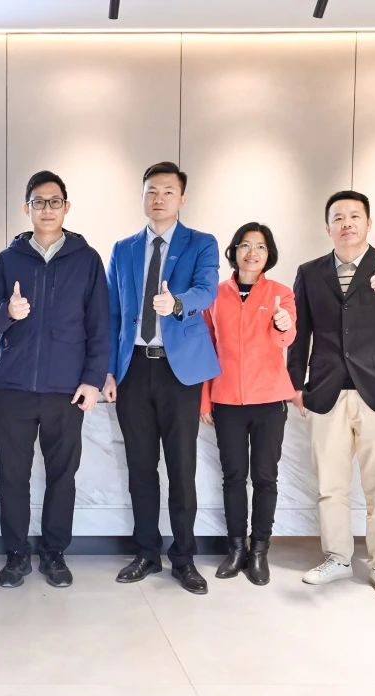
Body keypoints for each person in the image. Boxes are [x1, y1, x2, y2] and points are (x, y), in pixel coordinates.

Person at [0, 170, 109, 588]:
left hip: (65, 390)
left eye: (54, 202)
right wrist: (7, 312)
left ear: (66, 207)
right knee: (12, 476)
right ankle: (16, 555)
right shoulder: (8, 259)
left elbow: (100, 325)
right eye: (38, 202)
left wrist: (92, 379)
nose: (46, 209)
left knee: (61, 476)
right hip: (13, 387)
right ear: (27, 208)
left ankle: (54, 553)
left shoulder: (87, 260)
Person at [289, 190, 375, 600]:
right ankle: (337, 558)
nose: (346, 223)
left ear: (368, 223)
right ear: (327, 227)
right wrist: (295, 384)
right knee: (331, 485)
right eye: (338, 217)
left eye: (354, 216)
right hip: (327, 391)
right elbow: (300, 333)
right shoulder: (310, 272)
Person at [104, 161, 220, 595]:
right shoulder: (123, 249)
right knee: (140, 467)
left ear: (182, 198)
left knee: (181, 468)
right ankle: (147, 553)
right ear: (142, 196)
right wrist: (109, 370)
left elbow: (207, 290)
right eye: (152, 190)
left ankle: (184, 558)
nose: (159, 198)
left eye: (168, 191)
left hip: (179, 372)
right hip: (133, 368)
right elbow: (113, 313)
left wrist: (177, 304)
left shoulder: (201, 243)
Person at [200, 222, 296, 586]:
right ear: (234, 252)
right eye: (244, 245)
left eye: (260, 246)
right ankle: (236, 549)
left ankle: (259, 551)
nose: (252, 252)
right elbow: (207, 348)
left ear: (269, 254)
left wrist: (282, 323)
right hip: (226, 401)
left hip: (269, 400)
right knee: (233, 477)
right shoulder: (215, 295)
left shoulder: (280, 294)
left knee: (265, 477)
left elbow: (286, 337)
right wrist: (205, 399)